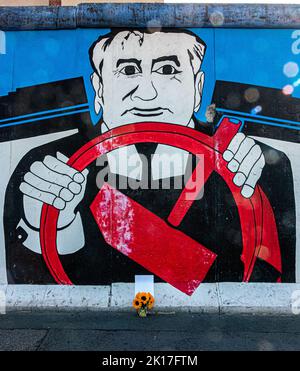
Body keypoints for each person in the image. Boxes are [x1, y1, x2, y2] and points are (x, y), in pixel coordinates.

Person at [4, 28, 295, 287]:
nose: (147, 93)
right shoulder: (48, 167)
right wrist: (46, 225)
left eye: (168, 69)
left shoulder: (252, 164)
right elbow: (31, 292)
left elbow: (269, 284)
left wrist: (256, 191)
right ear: (99, 88)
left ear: (197, 87)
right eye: (128, 70)